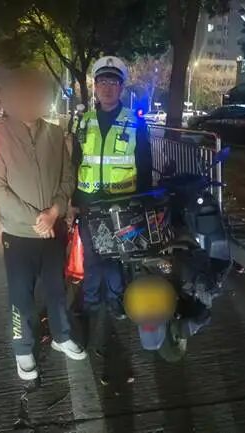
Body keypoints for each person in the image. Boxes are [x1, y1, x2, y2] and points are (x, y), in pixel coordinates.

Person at [0, 69, 87, 381]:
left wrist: (55, 211)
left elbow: (67, 177)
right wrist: (36, 219)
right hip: (19, 234)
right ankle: (23, 348)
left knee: (57, 289)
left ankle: (61, 336)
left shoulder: (54, 134)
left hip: (54, 230)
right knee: (21, 296)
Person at [70, 56, 153, 319]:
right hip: (89, 201)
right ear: (95, 86)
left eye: (113, 83)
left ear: (121, 88)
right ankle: (91, 301)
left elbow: (145, 164)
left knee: (117, 255)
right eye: (102, 82)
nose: (107, 88)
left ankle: (116, 301)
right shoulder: (83, 121)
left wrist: (142, 200)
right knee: (92, 256)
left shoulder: (136, 122)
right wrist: (72, 200)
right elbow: (75, 162)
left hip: (123, 203)